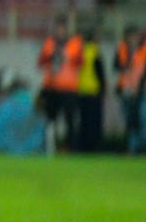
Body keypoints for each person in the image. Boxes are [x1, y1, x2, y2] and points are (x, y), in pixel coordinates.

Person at [114, 25, 146, 154]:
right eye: (130, 37)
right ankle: (133, 148)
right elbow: (116, 65)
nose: (132, 39)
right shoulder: (123, 49)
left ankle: (145, 148)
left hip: (144, 90)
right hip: (127, 91)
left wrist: (140, 85)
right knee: (130, 120)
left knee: (144, 119)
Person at [37, 15, 79, 154]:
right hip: (52, 87)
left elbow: (80, 62)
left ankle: (71, 148)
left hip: (68, 88)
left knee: (69, 120)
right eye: (58, 29)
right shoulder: (49, 43)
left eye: (62, 29)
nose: (60, 32)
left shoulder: (75, 43)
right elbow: (41, 62)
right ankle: (50, 148)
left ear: (66, 30)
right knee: (50, 119)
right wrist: (50, 56)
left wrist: (63, 56)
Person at [74, 22, 106, 153]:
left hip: (81, 90)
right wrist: (103, 89)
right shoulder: (94, 51)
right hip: (93, 90)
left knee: (83, 122)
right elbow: (100, 72)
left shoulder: (80, 51)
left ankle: (82, 147)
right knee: (94, 122)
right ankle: (93, 147)